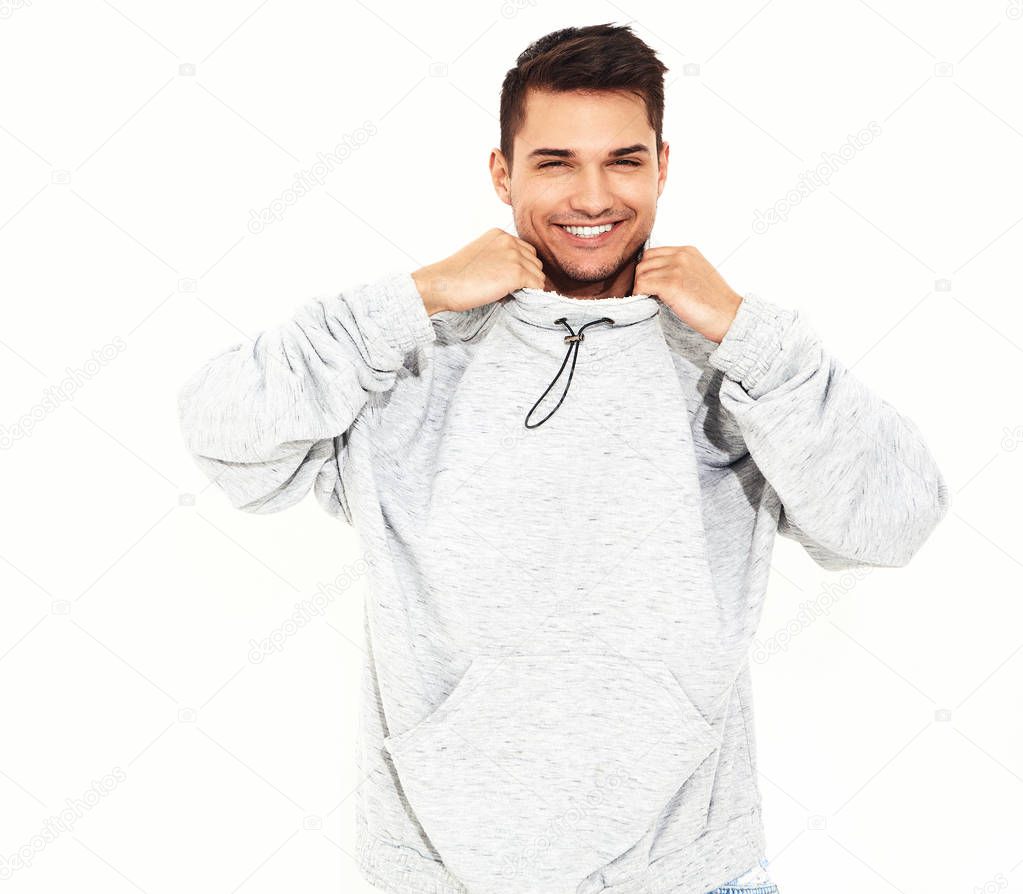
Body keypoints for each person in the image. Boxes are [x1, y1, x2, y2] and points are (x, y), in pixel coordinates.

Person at [177, 22, 948, 894]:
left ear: (662, 164)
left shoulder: (730, 365)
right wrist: (413, 297)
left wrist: (751, 336)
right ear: (501, 174)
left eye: (622, 160)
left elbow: (893, 522)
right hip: (442, 872)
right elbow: (223, 432)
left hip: (689, 870)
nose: (592, 196)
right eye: (554, 162)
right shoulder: (413, 357)